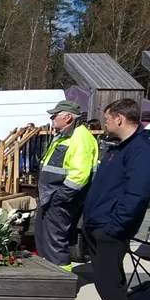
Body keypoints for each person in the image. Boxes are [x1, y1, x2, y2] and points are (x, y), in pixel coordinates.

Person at [77, 99, 150, 300]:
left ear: (119, 119)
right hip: (97, 222)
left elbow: (137, 194)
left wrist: (115, 225)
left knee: (111, 276)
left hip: (111, 226)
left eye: (107, 119)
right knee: (103, 276)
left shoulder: (142, 149)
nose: (104, 123)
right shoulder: (119, 147)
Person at [36, 100, 99, 270]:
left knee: (55, 241)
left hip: (61, 198)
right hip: (51, 196)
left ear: (68, 117)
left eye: (55, 115)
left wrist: (60, 197)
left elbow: (79, 175)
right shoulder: (66, 135)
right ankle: (49, 273)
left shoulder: (80, 138)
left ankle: (60, 281)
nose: (52, 119)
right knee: (46, 239)